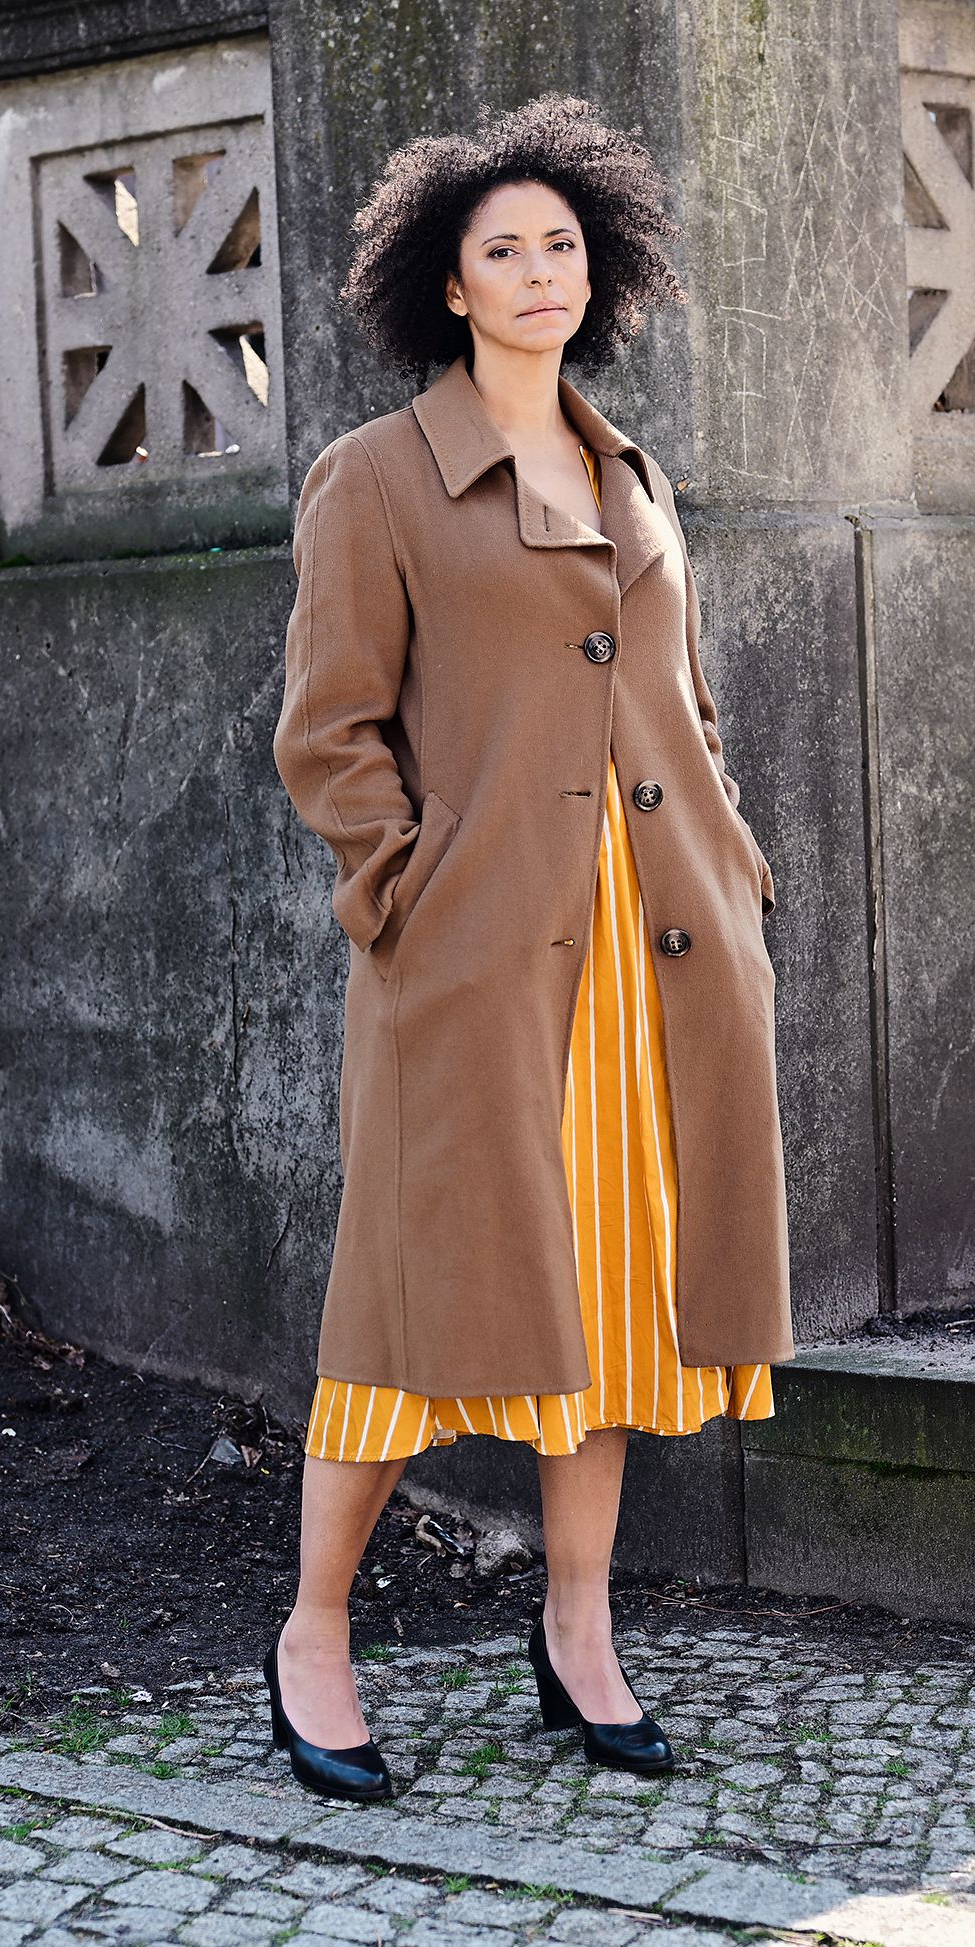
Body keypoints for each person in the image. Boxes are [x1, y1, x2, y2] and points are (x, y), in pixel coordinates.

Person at [265, 95, 793, 1803]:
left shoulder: (630, 472)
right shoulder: (375, 478)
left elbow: (681, 698)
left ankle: (580, 1632)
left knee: (624, 1299)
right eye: (504, 249)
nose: (540, 271)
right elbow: (328, 733)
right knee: (401, 1310)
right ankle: (314, 1639)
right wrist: (404, 890)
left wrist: (732, 854)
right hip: (479, 962)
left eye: (564, 243)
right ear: (449, 282)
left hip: (660, 953)